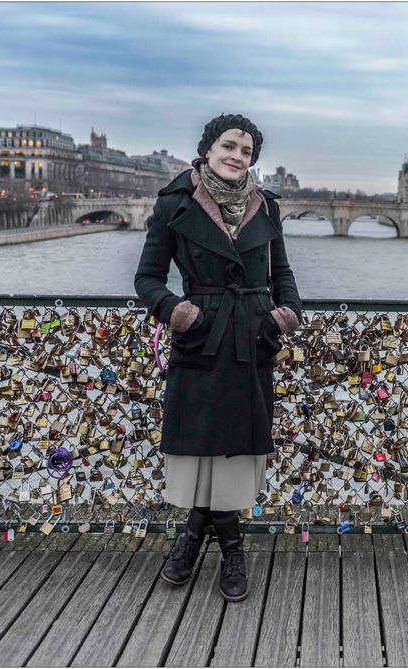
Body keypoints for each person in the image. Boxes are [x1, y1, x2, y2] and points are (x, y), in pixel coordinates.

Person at [134, 113, 302, 601]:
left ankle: (192, 541)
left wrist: (284, 316)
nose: (237, 156)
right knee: (204, 444)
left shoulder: (266, 205)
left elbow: (282, 273)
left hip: (252, 337)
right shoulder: (174, 203)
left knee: (232, 447)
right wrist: (180, 314)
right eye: (229, 146)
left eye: (246, 152)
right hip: (202, 334)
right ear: (208, 149)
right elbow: (147, 278)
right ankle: (229, 547)